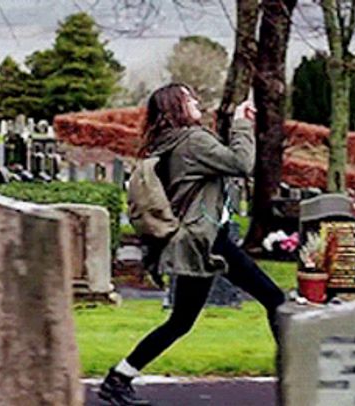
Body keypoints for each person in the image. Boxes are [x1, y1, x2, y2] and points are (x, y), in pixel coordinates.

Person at [99, 84, 287, 406]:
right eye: (188, 99)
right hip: (207, 241)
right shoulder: (193, 141)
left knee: (181, 321)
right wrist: (242, 124)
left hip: (201, 240)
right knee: (274, 299)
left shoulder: (168, 143)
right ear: (176, 107)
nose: (196, 101)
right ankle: (295, 375)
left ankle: (119, 378)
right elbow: (241, 163)